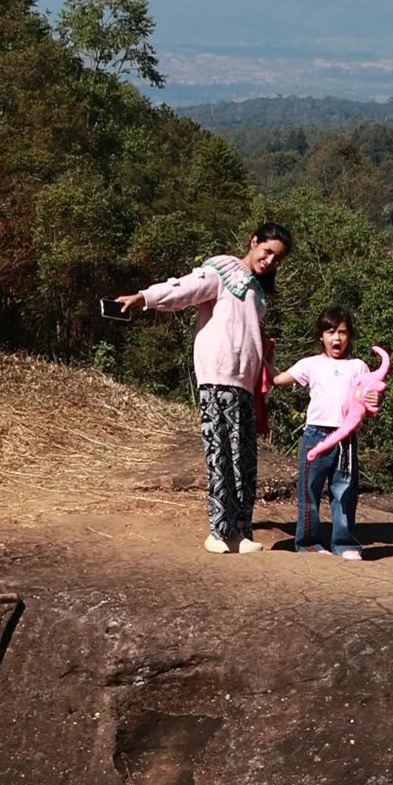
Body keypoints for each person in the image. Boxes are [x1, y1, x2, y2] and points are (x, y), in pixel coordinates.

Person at [109, 223, 292, 553]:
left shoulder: (256, 291)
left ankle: (240, 532)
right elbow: (184, 289)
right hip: (218, 377)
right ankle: (218, 533)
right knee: (220, 455)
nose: (269, 261)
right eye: (266, 252)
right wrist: (145, 297)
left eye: (276, 258)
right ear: (253, 242)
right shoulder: (222, 269)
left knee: (243, 459)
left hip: (245, 385)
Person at [276, 309, 388, 560]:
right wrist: (263, 354)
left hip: (345, 438)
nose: (336, 338)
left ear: (349, 336)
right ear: (321, 336)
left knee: (345, 492)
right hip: (315, 435)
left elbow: (369, 399)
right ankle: (308, 544)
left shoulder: (358, 366)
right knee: (309, 491)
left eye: (342, 332)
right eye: (330, 332)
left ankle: (344, 543)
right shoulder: (310, 364)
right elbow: (277, 379)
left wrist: (374, 398)